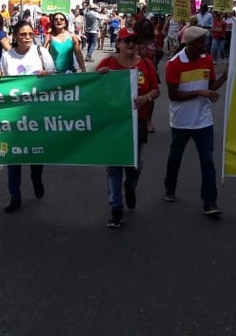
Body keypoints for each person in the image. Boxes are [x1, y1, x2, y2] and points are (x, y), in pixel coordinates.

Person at [96, 27, 160, 228]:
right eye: (126, 40)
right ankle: (116, 208)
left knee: (135, 165)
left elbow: (156, 90)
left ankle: (130, 187)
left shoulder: (146, 64)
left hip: (137, 122)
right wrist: (100, 76)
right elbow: (93, 90)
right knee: (114, 167)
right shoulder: (108, 63)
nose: (131, 44)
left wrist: (146, 97)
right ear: (118, 43)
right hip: (114, 123)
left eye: (133, 40)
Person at [0, 20, 56, 213]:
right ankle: (15, 195)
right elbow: (2, 79)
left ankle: (36, 178)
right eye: (22, 34)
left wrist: (47, 74)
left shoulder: (41, 52)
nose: (27, 38)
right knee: (13, 156)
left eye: (29, 34)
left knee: (36, 151)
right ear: (15, 36)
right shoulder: (7, 56)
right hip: (14, 114)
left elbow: (55, 76)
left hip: (36, 112)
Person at [163, 26, 228, 217]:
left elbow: (211, 87)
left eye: (205, 41)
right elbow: (173, 95)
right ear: (189, 44)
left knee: (207, 161)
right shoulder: (174, 64)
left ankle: (210, 202)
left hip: (203, 120)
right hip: (181, 121)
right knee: (175, 158)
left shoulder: (207, 59)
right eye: (201, 42)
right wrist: (200, 93)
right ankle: (170, 187)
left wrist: (225, 76)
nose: (205, 45)